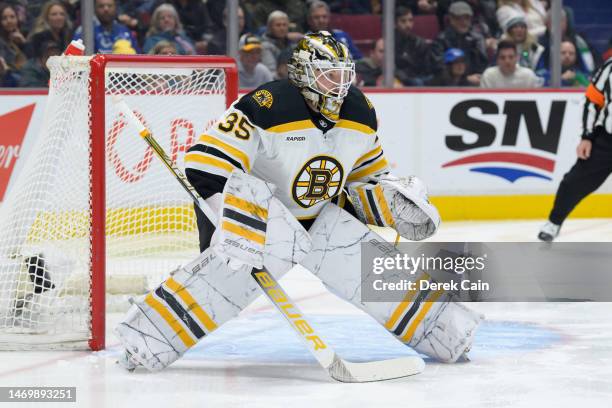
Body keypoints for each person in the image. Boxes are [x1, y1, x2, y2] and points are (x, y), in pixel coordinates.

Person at [115, 31, 482, 372]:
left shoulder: (360, 112)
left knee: (370, 270)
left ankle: (444, 332)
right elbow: (204, 163)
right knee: (217, 288)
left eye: (343, 75)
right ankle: (142, 343)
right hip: (260, 225)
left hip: (320, 216)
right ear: (303, 74)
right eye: (327, 75)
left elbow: (366, 177)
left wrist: (393, 199)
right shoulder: (268, 105)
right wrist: (228, 221)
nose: (338, 86)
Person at [538, 58, 612, 241]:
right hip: (607, 140)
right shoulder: (611, 66)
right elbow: (592, 99)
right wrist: (587, 136)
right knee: (574, 182)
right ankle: (554, 222)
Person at [431, 1, 489, 86]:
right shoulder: (441, 40)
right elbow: (439, 67)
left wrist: (481, 76)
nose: (464, 22)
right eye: (459, 18)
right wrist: (465, 79)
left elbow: (483, 62)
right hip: (451, 83)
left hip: (477, 80)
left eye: (467, 18)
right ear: (451, 19)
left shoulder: (477, 38)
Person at [73, 0, 139, 54]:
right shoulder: (84, 31)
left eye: (110, 6)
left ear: (115, 8)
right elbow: (76, 57)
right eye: (101, 6)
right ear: (94, 9)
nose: (106, 9)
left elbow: (138, 55)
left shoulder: (125, 31)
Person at [394, 7, 433, 86]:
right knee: (417, 82)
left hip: (419, 76)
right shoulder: (389, 43)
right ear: (395, 23)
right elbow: (392, 69)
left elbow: (427, 66)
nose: (408, 25)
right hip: (400, 79)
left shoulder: (419, 42)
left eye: (410, 20)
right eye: (403, 21)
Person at [0, 3, 26, 86]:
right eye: (4, 18)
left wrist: (24, 44)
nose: (9, 21)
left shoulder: (23, 36)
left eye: (12, 17)